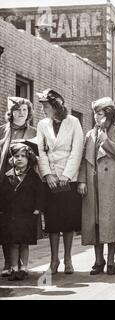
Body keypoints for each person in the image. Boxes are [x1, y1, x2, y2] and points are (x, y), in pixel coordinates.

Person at [78, 97, 115, 276]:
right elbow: (83, 161)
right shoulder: (89, 134)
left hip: (112, 185)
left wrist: (106, 141)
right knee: (95, 224)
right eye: (95, 113)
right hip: (93, 184)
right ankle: (98, 261)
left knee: (111, 223)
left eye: (100, 113)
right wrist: (82, 181)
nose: (96, 116)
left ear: (109, 114)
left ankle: (110, 261)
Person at [36, 89, 84, 275]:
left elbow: (77, 150)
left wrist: (66, 175)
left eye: (46, 106)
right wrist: (48, 174)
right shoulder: (42, 124)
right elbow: (40, 151)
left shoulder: (73, 122)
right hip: (51, 180)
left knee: (68, 221)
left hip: (67, 180)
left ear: (56, 106)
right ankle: (54, 260)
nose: (43, 110)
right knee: (53, 222)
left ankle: (68, 260)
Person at [0, 97, 36, 278]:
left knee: (21, 225)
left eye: (24, 110)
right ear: (11, 112)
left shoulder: (33, 132)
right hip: (5, 183)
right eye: (17, 110)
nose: (21, 113)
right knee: (6, 223)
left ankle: (22, 265)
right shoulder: (2, 131)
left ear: (29, 112)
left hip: (25, 185)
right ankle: (8, 263)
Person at [0, 141, 44, 281]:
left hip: (27, 214)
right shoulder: (7, 176)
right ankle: (14, 268)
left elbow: (39, 194)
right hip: (11, 215)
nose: (19, 158)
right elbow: (3, 195)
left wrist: (37, 208)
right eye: (16, 156)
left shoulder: (33, 177)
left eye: (23, 156)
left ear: (29, 158)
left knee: (24, 242)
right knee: (13, 242)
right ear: (12, 159)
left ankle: (23, 268)